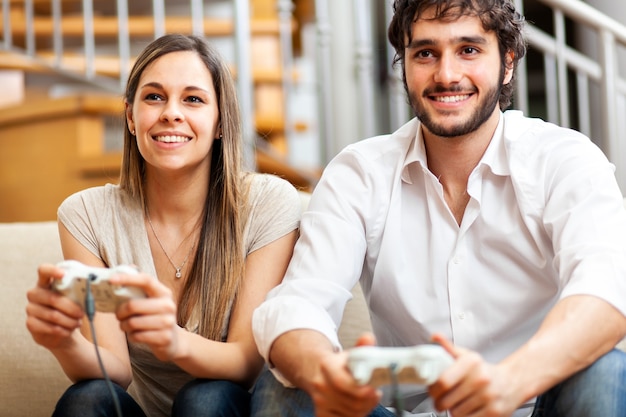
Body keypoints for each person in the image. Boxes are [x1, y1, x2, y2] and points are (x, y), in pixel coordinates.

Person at [250, 0, 626, 416]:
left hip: (530, 402)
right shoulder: (359, 173)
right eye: (425, 53)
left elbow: (605, 294)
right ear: (404, 65)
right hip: (404, 411)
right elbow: (297, 305)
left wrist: (510, 381)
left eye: (468, 50)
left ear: (507, 63)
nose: (446, 75)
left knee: (606, 370)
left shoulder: (563, 160)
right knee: (286, 383)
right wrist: (325, 372)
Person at [25, 34, 301, 417]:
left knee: (205, 398)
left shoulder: (267, 202)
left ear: (220, 122)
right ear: (130, 117)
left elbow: (245, 362)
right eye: (154, 97)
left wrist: (173, 341)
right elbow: (114, 371)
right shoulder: (86, 214)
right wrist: (61, 340)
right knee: (87, 398)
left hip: (232, 408)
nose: (171, 113)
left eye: (193, 99)